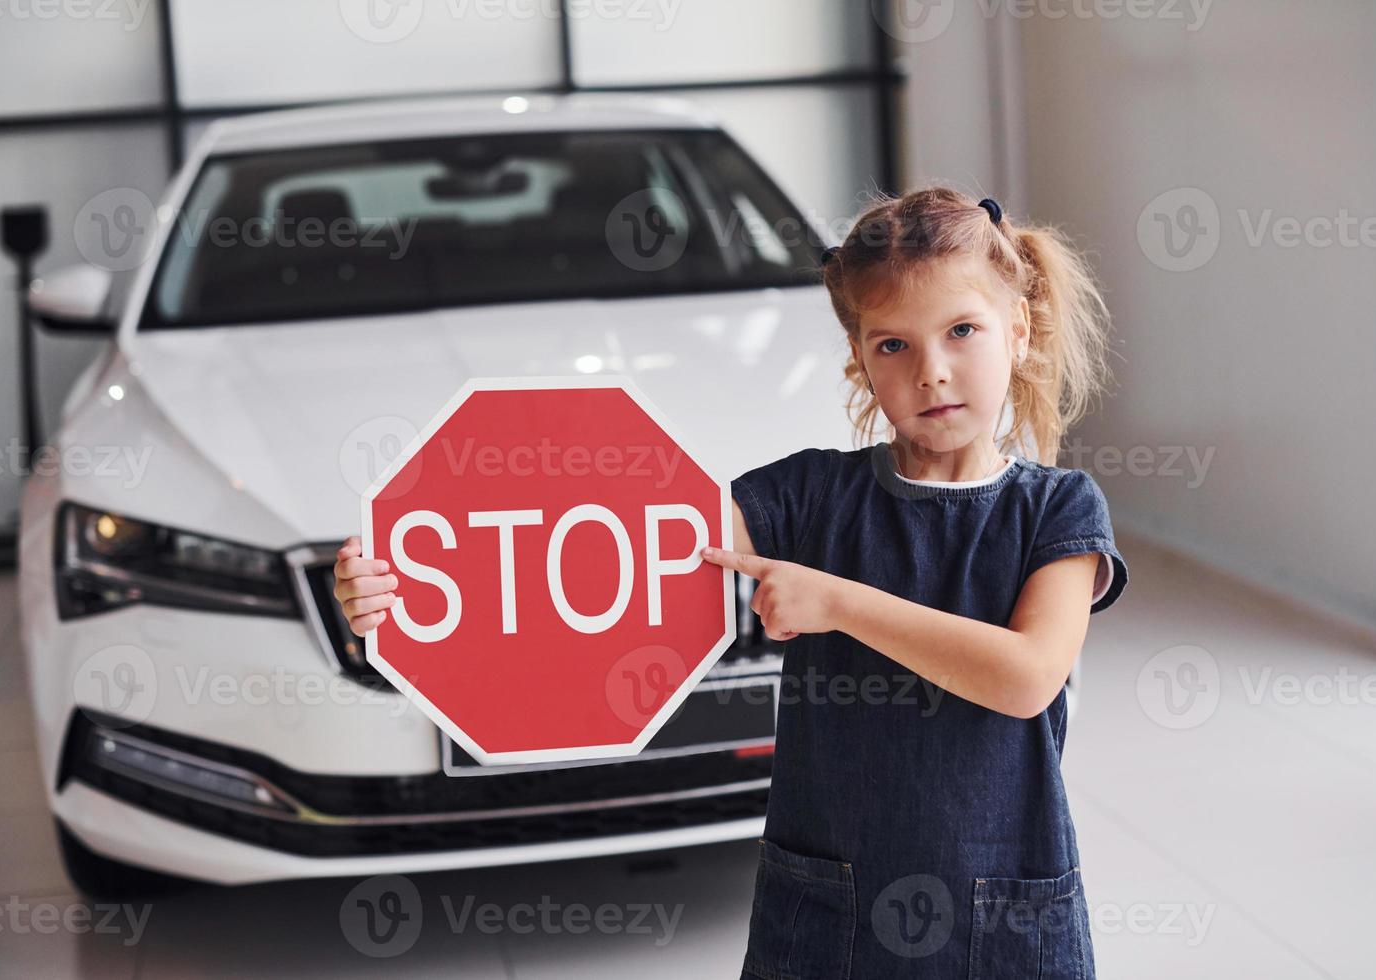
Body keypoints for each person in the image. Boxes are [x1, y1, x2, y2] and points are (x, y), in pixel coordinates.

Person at [331, 185, 1128, 978]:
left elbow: (1026, 677)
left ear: (1017, 332)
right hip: (829, 909)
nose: (932, 372)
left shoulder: (1060, 508)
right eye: (893, 345)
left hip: (1004, 915)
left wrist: (838, 602)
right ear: (860, 360)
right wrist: (393, 581)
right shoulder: (809, 495)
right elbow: (614, 555)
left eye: (963, 331)